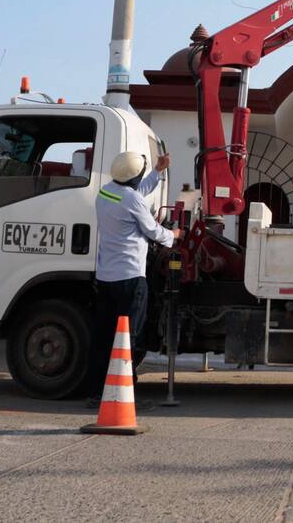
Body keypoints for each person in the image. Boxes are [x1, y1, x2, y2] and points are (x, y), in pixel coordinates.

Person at [84, 150, 179, 407]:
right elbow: (153, 230)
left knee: (105, 337)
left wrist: (157, 172)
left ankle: (97, 392)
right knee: (130, 338)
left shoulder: (105, 193)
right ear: (135, 177)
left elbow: (133, 195)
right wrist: (174, 235)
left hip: (106, 278)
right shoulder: (132, 200)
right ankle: (124, 396)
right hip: (131, 279)